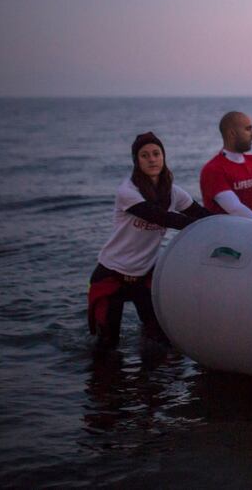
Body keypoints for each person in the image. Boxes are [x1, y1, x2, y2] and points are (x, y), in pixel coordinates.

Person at [89, 133, 212, 350]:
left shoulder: (174, 193)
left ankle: (153, 383)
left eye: (156, 154)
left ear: (163, 157)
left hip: (144, 276)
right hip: (112, 273)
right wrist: (196, 224)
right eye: (144, 155)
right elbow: (162, 217)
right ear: (137, 161)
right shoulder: (128, 191)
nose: (152, 159)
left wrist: (233, 224)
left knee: (158, 340)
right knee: (107, 345)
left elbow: (202, 215)